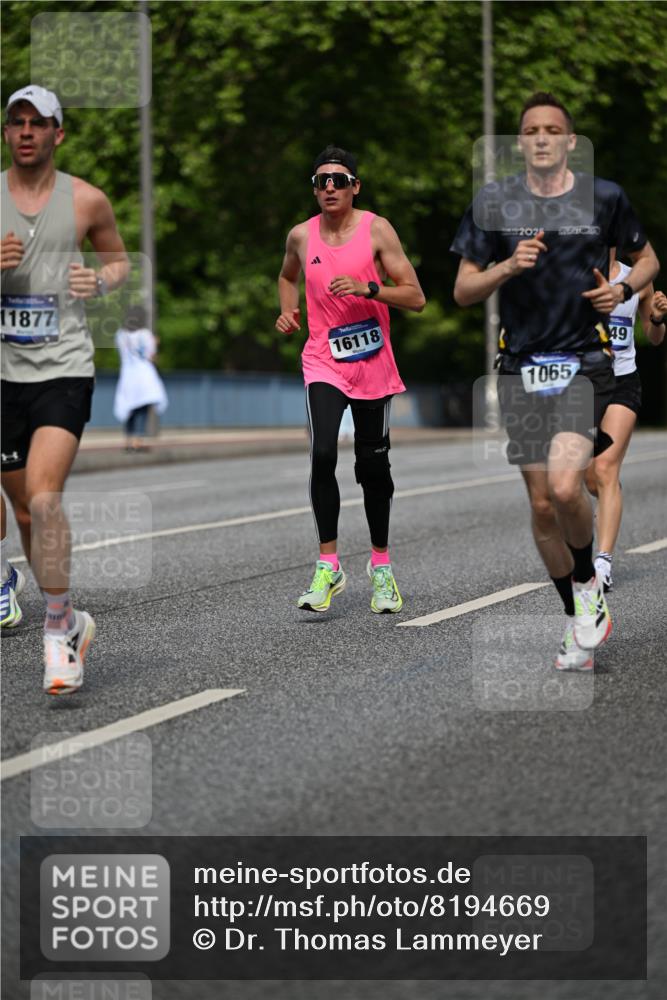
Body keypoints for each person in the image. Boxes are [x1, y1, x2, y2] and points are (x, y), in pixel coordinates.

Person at [451, 92, 659, 670]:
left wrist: (620, 290)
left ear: (570, 142)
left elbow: (647, 261)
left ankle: (590, 583)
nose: (540, 138)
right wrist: (506, 267)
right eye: (530, 130)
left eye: (552, 130)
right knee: (543, 507)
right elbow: (463, 291)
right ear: (520, 143)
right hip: (521, 368)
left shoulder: (605, 197)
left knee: (569, 488)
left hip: (583, 366)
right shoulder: (493, 203)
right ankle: (576, 615)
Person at [0, 85, 129, 693]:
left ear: (59, 133)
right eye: (16, 122)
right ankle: (69, 615)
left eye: (38, 122)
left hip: (64, 368)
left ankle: (58, 632)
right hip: (2, 374)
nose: (26, 131)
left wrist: (97, 281)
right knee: (23, 507)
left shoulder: (86, 200)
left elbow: (120, 262)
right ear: (7, 133)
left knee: (46, 499)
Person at [276, 144, 425, 613]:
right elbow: (286, 276)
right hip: (323, 359)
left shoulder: (376, 229)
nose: (330, 188)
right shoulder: (301, 236)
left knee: (372, 468)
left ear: (355, 186)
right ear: (314, 189)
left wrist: (370, 288)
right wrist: (288, 310)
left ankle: (381, 566)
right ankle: (328, 567)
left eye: (339, 180)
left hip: (373, 364)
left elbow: (416, 297)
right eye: (322, 181)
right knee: (322, 454)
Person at [585, 263, 666, 590]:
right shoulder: (574, 269)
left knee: (605, 468)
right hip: (580, 383)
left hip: (622, 380)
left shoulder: (639, 277)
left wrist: (659, 317)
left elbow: (654, 337)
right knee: (588, 478)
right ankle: (608, 495)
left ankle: (602, 562)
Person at [113, 304, 168, 452]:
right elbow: (150, 355)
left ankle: (128, 440)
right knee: (142, 407)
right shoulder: (145, 334)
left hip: (127, 374)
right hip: (143, 374)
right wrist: (155, 343)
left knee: (129, 407)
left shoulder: (120, 334)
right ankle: (138, 440)